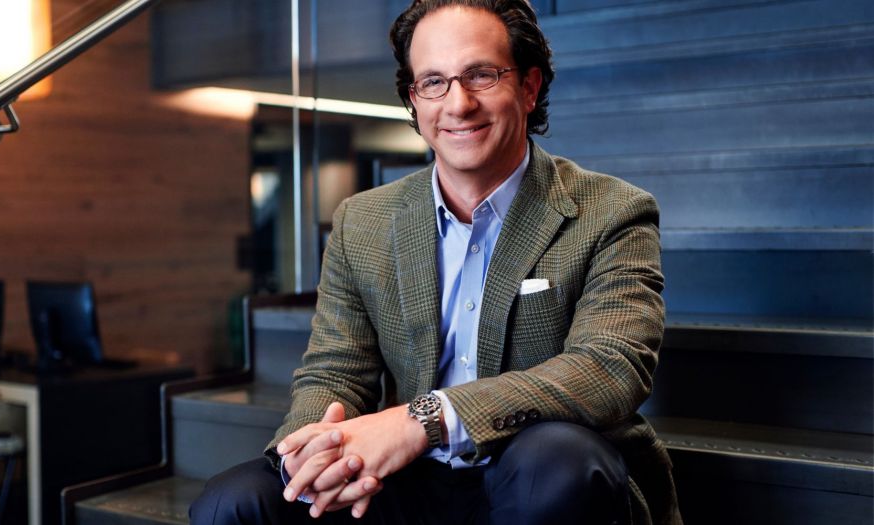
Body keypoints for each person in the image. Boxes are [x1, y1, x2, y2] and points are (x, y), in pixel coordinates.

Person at [191, 0, 682, 523]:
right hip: (405, 480)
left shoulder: (611, 212)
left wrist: (422, 420)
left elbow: (608, 370)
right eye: (434, 82)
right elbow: (335, 372)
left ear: (530, 86)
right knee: (232, 503)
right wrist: (310, 455)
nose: (458, 103)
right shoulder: (363, 220)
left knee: (556, 464)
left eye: (482, 75)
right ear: (414, 100)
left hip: (534, 473)